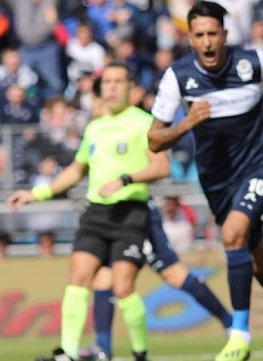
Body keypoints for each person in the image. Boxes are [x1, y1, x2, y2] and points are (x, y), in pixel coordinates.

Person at [148, 2, 263, 360]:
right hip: (216, 181)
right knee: (256, 259)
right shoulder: (178, 76)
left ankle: (238, 335)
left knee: (232, 233)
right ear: (189, 38)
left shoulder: (253, 63)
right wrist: (187, 123)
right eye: (199, 35)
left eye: (212, 34)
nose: (206, 42)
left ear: (224, 34)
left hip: (259, 165)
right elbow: (154, 139)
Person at [7, 63, 163, 361]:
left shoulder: (145, 123)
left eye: (119, 81)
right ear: (101, 88)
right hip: (96, 213)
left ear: (131, 87)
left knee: (122, 286)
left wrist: (125, 179)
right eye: (108, 82)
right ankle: (67, 351)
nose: (113, 87)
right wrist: (36, 193)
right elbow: (77, 169)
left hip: (130, 212)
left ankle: (141, 353)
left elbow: (160, 167)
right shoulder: (94, 127)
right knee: (78, 277)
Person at [78, 80, 233, 361]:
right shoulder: (98, 132)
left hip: (136, 215)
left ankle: (229, 322)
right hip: (109, 217)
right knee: (103, 278)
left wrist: (124, 180)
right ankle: (103, 346)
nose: (96, 106)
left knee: (174, 275)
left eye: (98, 99)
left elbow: (157, 164)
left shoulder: (135, 124)